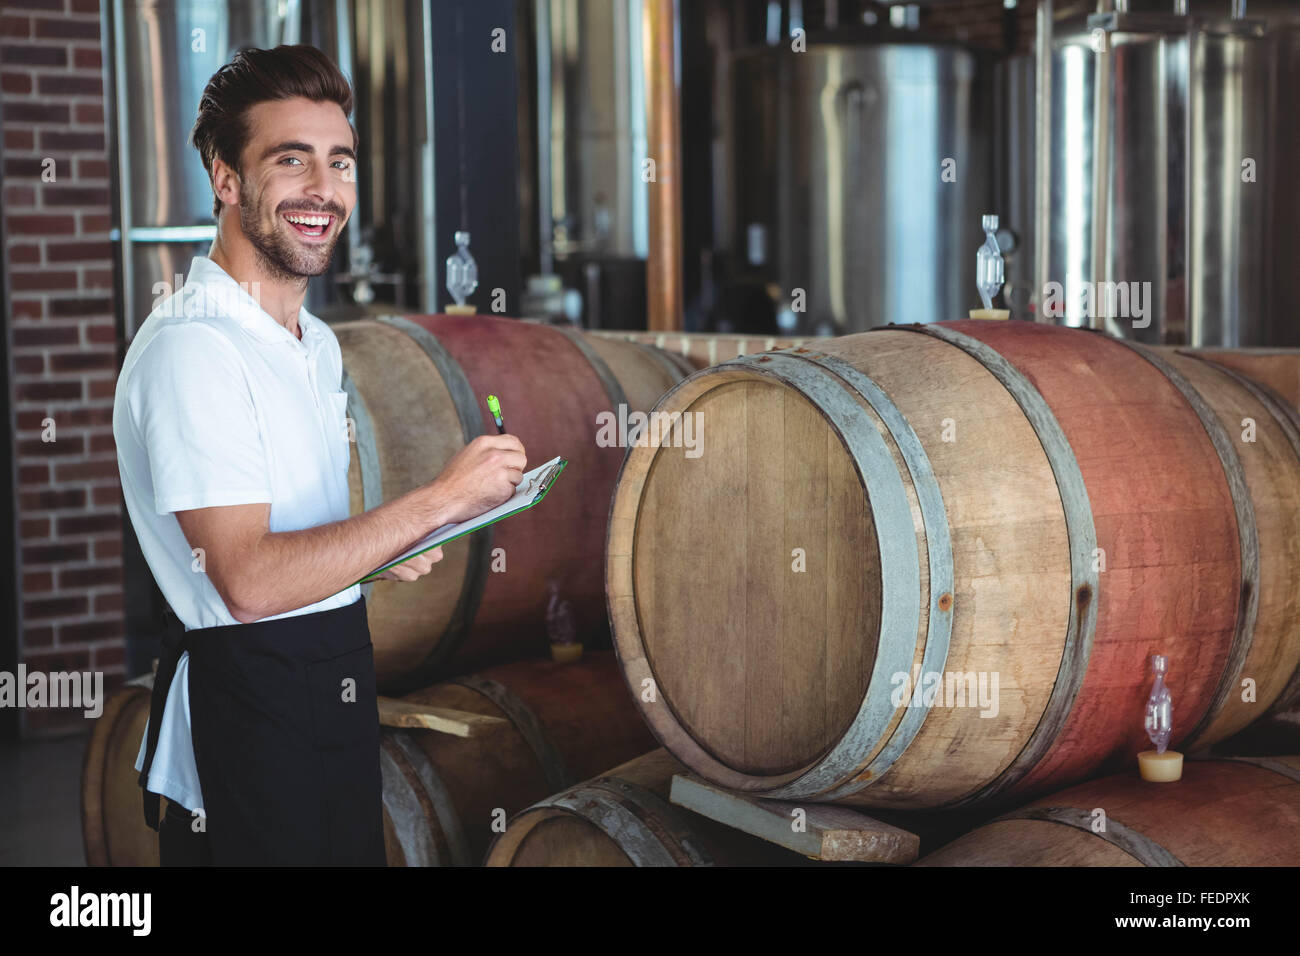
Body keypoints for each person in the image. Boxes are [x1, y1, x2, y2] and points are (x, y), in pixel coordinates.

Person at [111, 44, 526, 865]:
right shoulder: (195, 349)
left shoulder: (315, 344)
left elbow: (293, 542)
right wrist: (438, 501)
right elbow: (251, 581)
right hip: (246, 710)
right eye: (290, 160)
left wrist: (381, 549)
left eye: (340, 163)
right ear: (225, 177)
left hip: (330, 688)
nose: (323, 191)